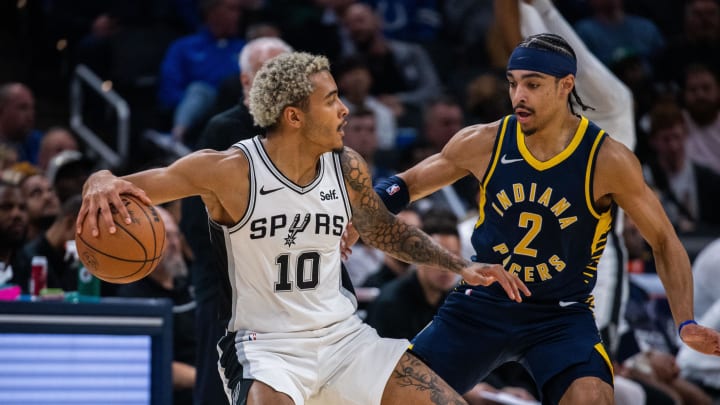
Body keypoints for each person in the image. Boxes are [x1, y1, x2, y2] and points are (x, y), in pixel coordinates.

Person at [77, 52, 529, 405]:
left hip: (344, 339)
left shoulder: (346, 166)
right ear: (294, 116)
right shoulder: (229, 171)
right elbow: (124, 186)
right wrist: (98, 180)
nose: (345, 109)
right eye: (331, 99)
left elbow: (384, 231)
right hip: (265, 348)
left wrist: (458, 264)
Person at [352, 33, 720, 404]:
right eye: (513, 83)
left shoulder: (607, 159)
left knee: (593, 399)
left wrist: (685, 322)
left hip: (559, 316)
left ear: (565, 86)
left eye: (532, 84)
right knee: (394, 394)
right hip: (483, 302)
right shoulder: (486, 141)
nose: (518, 96)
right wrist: (361, 215)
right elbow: (407, 184)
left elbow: (664, 240)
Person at [117, 204, 197, 405]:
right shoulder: (133, 296)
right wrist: (210, 378)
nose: (173, 244)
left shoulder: (193, 282)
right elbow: (148, 362)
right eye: (165, 238)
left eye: (175, 236)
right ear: (145, 244)